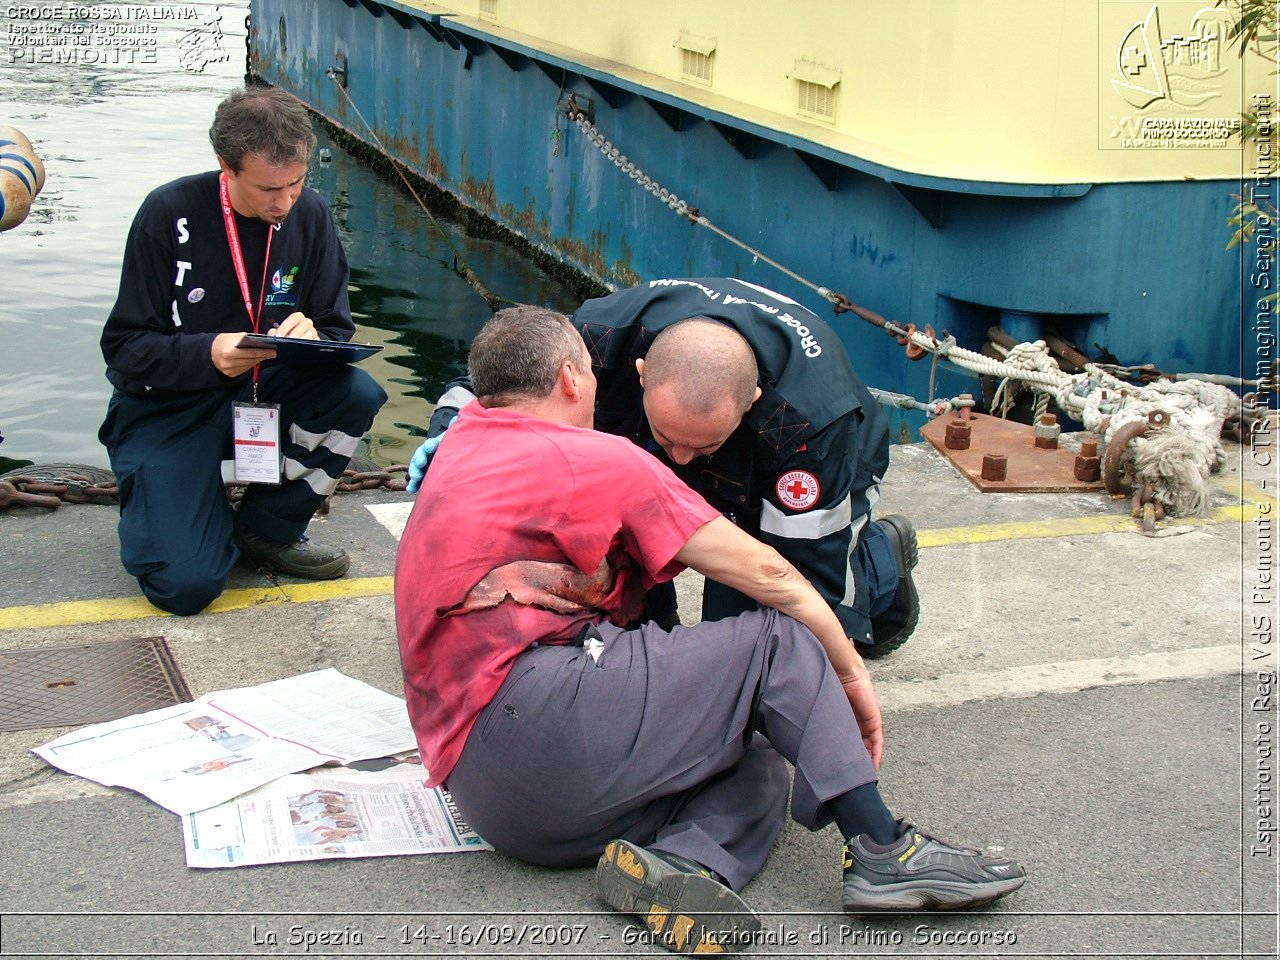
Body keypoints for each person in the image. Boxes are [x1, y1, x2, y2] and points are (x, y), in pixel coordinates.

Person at [396, 306, 1025, 954]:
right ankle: (885, 849)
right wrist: (851, 679)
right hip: (545, 722)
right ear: (570, 377)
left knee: (753, 755)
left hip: (501, 803)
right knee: (776, 641)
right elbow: (775, 579)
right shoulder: (594, 457)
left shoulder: (462, 440)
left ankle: (688, 865)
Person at [413, 277, 917, 657]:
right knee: (625, 602)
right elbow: (496, 385)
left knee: (750, 634)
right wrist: (452, 434)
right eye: (667, 438)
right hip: (678, 432)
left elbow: (804, 577)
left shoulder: (808, 426)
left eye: (699, 448)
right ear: (640, 375)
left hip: (789, 478)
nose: (679, 462)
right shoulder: (598, 339)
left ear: (752, 403)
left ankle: (882, 566)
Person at [98, 87, 387, 616]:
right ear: (224, 167)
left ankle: (266, 528)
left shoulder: (310, 215)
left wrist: (317, 341)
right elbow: (123, 350)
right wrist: (207, 353)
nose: (284, 202)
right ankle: (175, 507)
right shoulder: (168, 213)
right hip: (168, 407)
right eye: (267, 188)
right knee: (184, 588)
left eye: (297, 182)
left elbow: (336, 331)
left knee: (356, 392)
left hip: (264, 390)